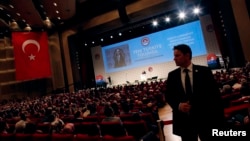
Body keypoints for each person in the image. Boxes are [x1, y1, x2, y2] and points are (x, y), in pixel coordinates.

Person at [165, 44, 225, 141]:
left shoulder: (204, 71)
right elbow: (169, 96)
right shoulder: (172, 75)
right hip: (184, 122)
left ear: (187, 56)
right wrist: (179, 105)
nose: (174, 59)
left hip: (205, 120)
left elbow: (214, 96)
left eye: (177, 55)